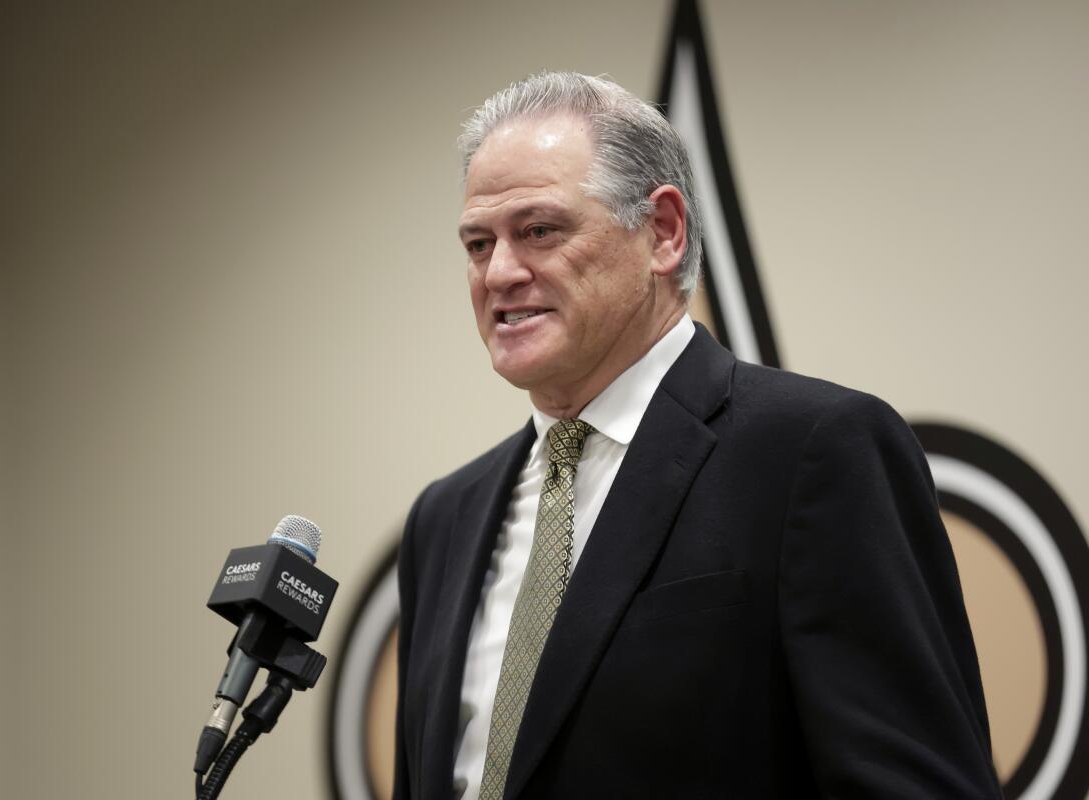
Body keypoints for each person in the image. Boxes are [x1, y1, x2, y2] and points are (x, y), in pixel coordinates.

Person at [393, 72, 1000, 799]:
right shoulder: (443, 519)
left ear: (663, 232)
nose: (499, 273)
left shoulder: (815, 452)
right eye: (476, 243)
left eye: (539, 231)